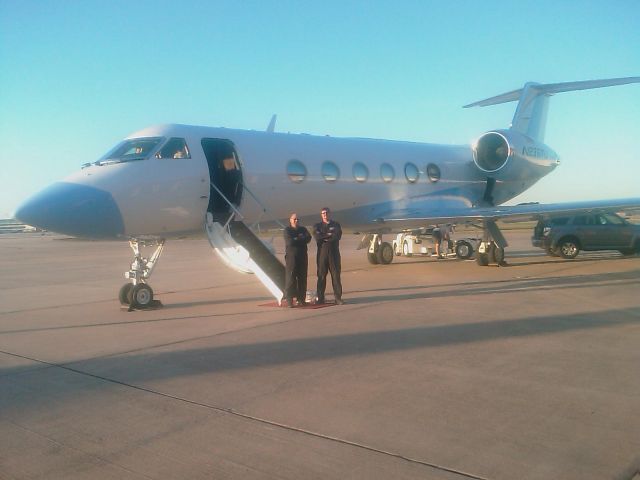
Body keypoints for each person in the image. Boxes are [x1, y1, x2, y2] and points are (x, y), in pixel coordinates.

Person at [313, 207, 344, 305]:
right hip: (322, 254)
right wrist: (329, 235)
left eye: (326, 213)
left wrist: (325, 237)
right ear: (321, 215)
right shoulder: (317, 226)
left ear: (329, 213)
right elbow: (317, 237)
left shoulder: (336, 224)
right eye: (323, 213)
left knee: (336, 276)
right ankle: (320, 298)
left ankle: (338, 298)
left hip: (334, 254)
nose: (325, 214)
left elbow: (337, 236)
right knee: (321, 276)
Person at [283, 213, 312, 308]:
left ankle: (301, 299)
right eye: (294, 219)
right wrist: (301, 239)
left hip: (302, 257)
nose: (296, 221)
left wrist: (297, 239)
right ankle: (290, 300)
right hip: (292, 258)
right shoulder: (287, 230)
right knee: (291, 278)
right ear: (290, 220)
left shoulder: (303, 229)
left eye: (297, 219)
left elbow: (308, 238)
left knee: (302, 278)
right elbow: (290, 242)